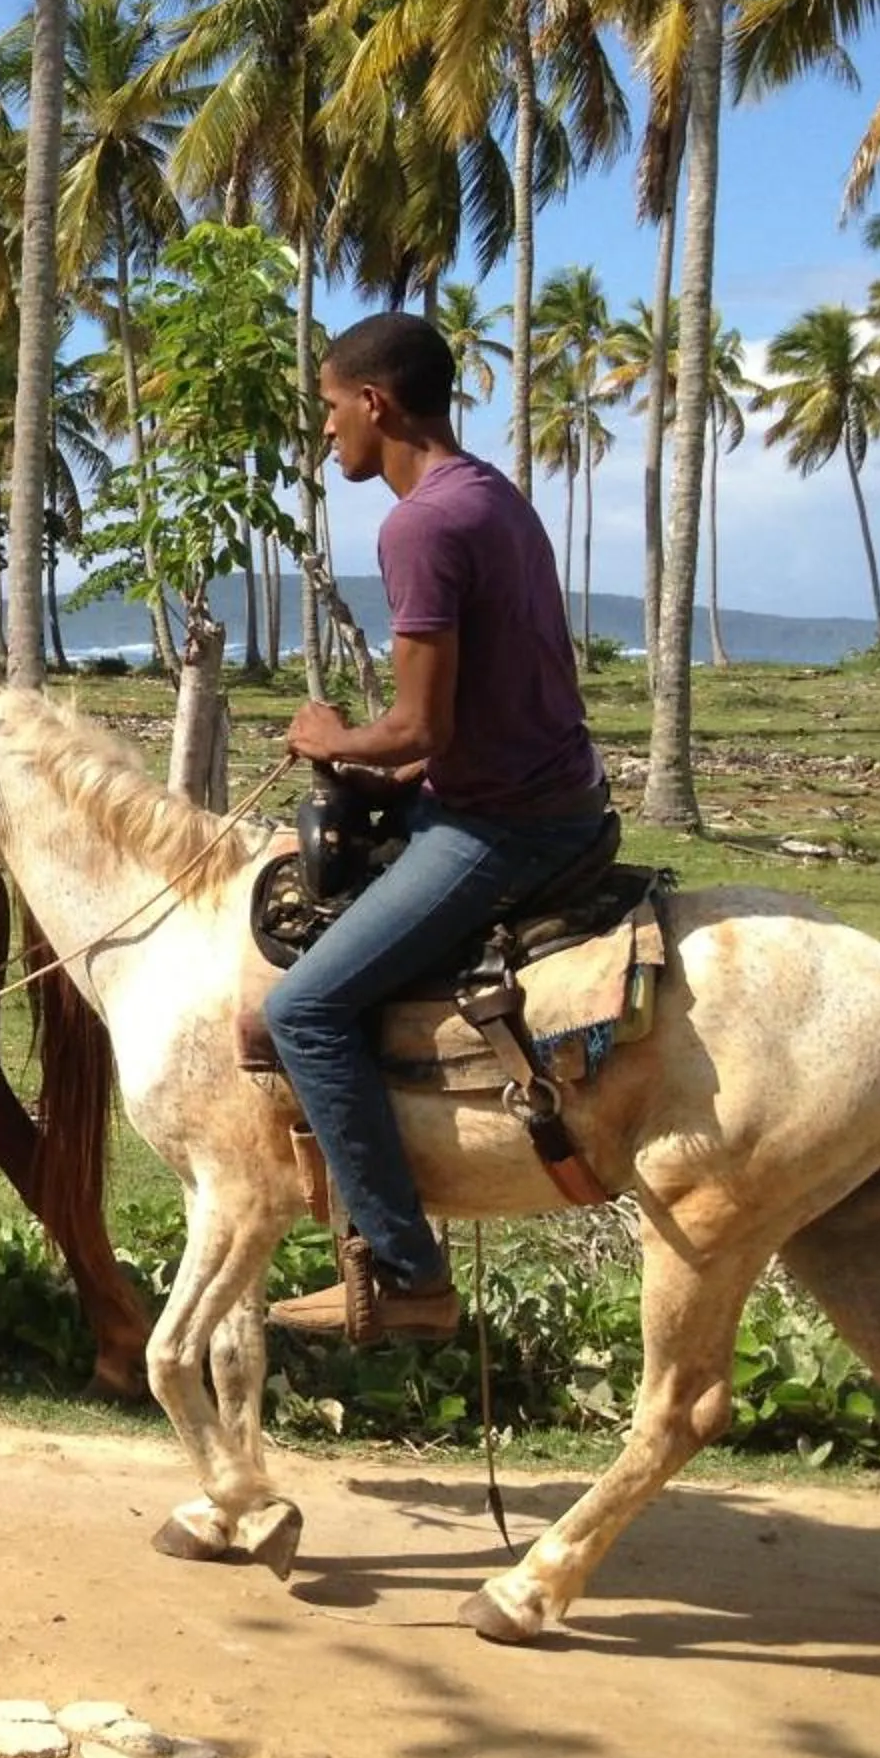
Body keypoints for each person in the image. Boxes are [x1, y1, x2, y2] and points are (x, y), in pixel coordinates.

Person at [264, 311, 610, 1344]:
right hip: (539, 790)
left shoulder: (419, 524)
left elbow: (420, 725)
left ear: (375, 403)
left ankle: (407, 1275)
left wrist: (330, 737)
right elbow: (454, 726)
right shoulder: (491, 496)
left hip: (503, 827)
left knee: (306, 1010)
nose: (327, 436)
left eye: (331, 411)